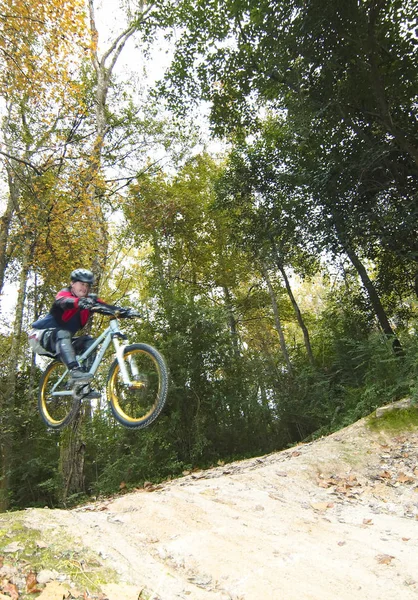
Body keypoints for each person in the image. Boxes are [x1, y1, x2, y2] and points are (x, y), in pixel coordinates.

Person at [28, 268, 128, 393]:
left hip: (62, 341)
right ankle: (74, 371)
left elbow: (107, 307)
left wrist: (125, 312)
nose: (84, 288)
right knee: (62, 333)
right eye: (81, 284)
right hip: (39, 337)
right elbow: (63, 302)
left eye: (87, 285)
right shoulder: (65, 294)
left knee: (90, 343)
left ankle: (82, 386)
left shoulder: (89, 300)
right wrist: (78, 302)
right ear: (72, 284)